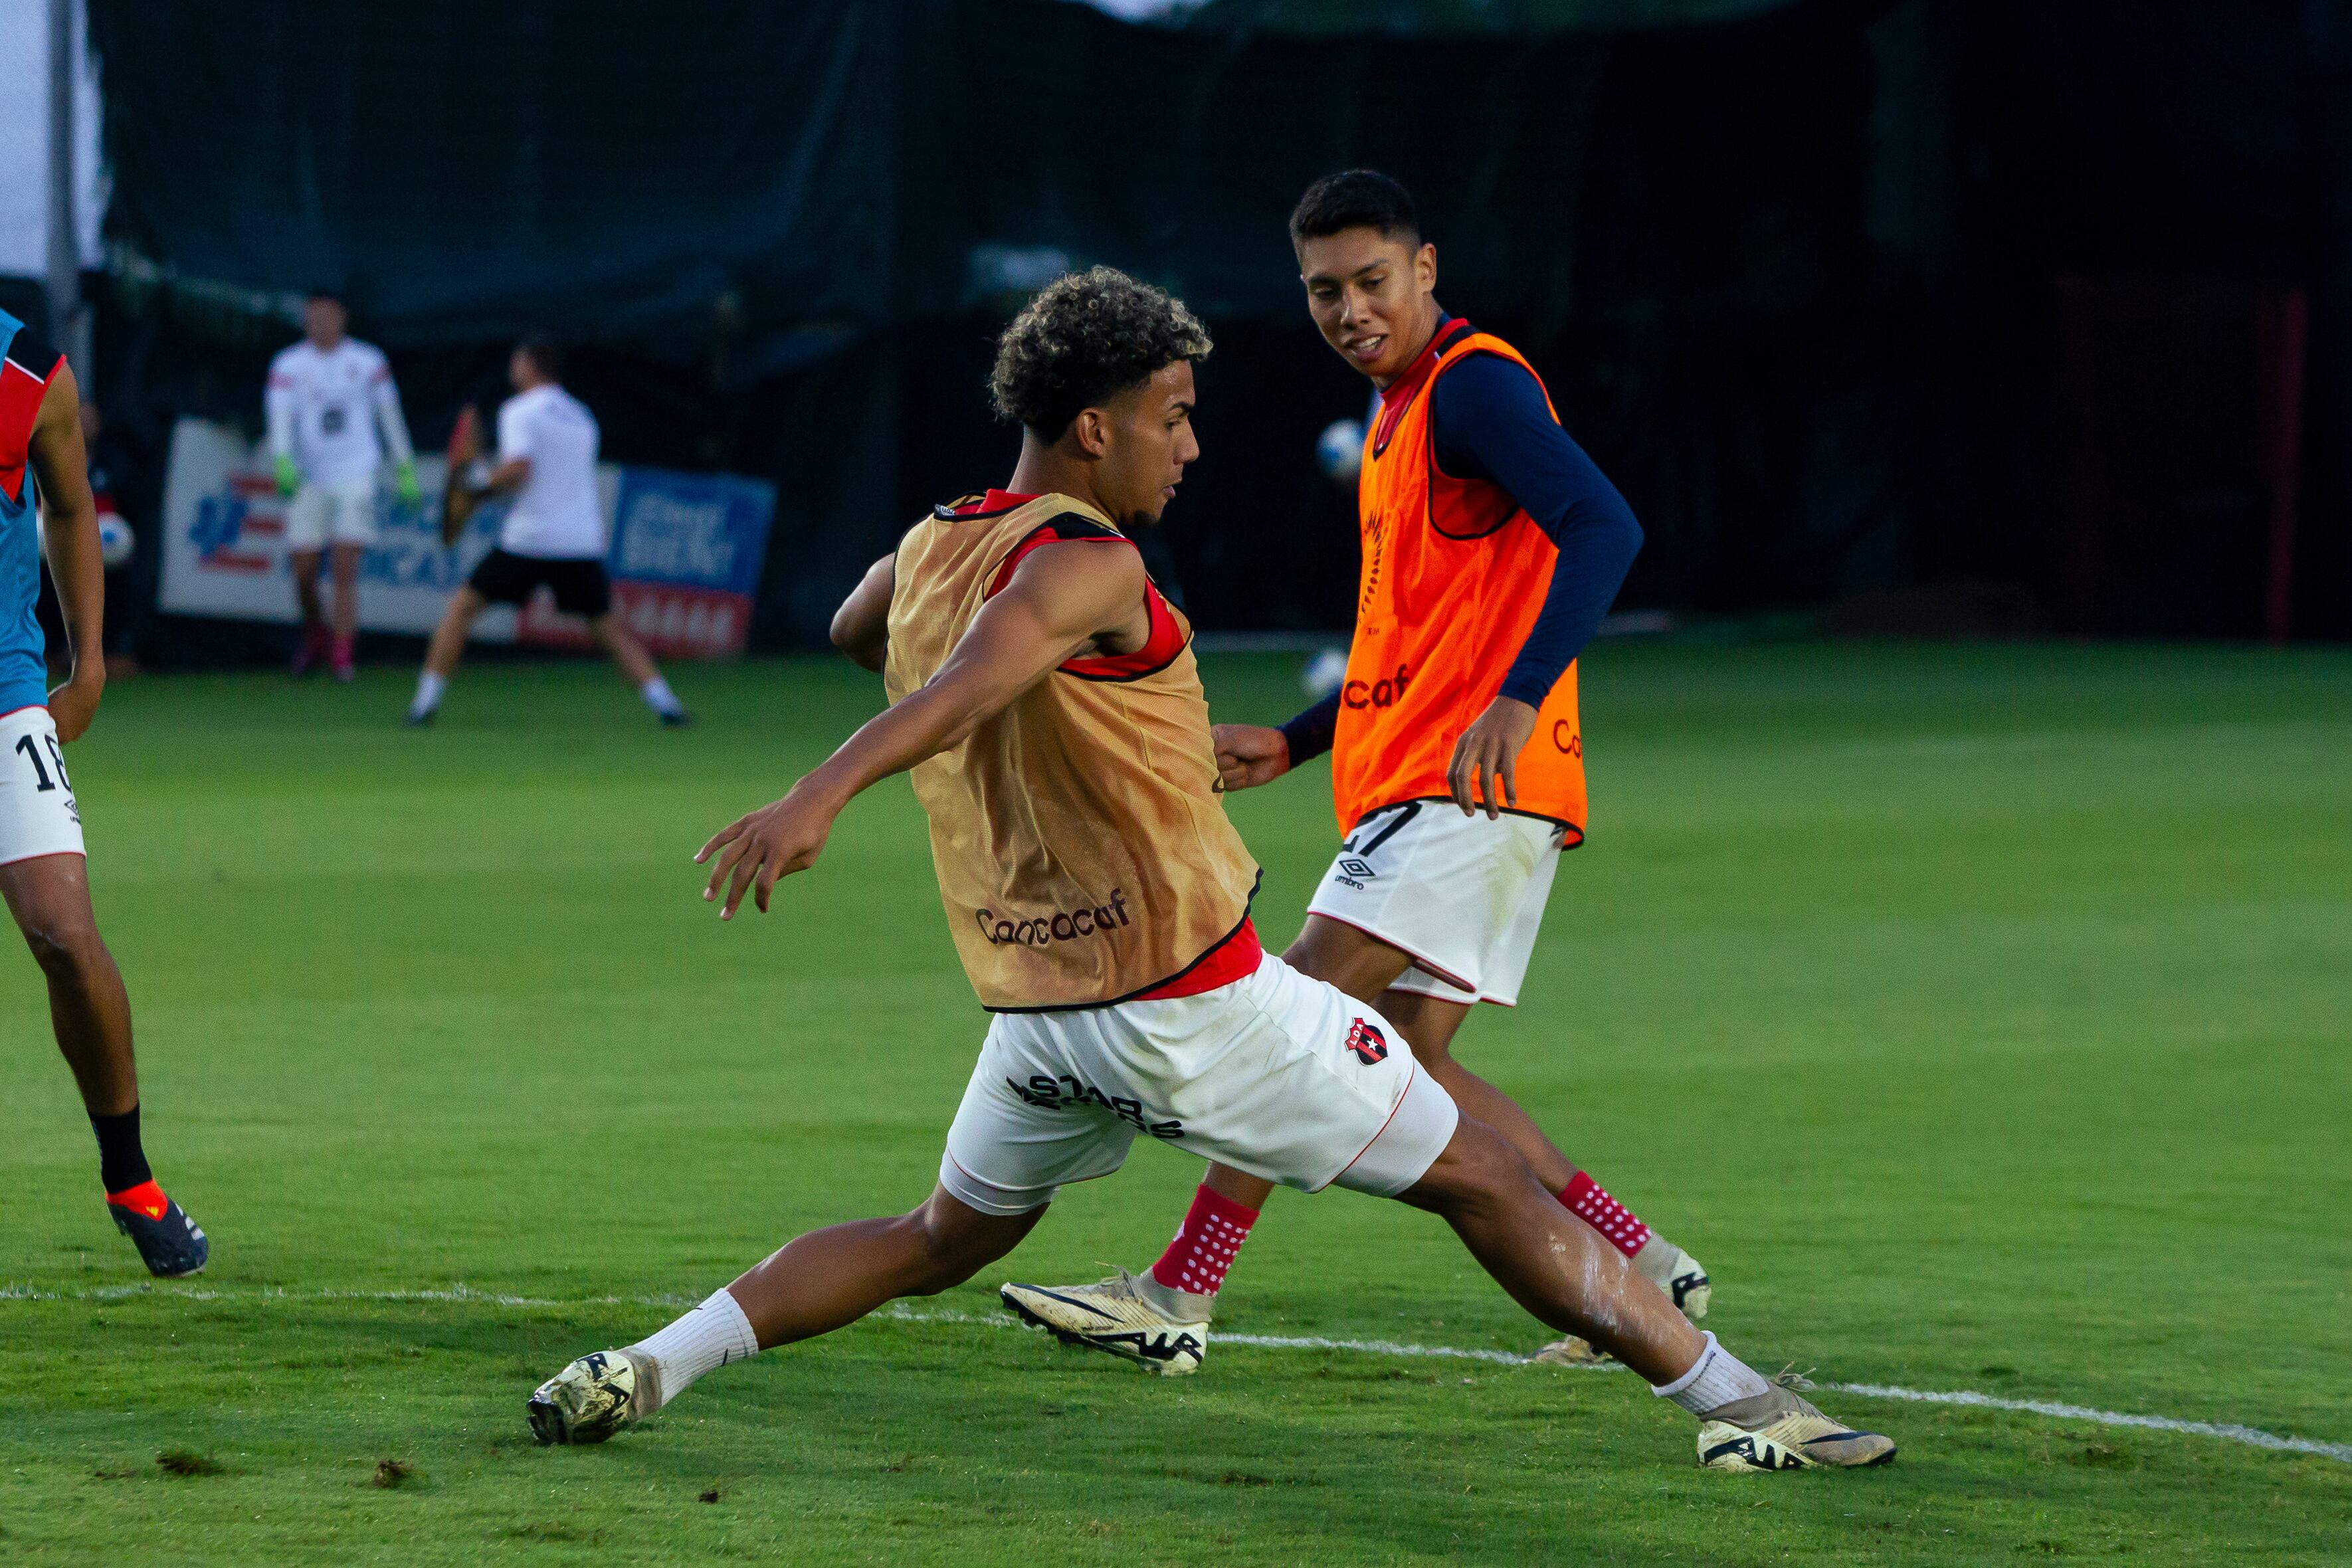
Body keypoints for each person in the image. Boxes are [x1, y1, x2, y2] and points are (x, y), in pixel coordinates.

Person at [524, 268, 1891, 1474]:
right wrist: (819, 792)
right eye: (1171, 415)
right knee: (1480, 1173)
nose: (1190, 442)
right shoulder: (1091, 563)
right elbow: (991, 665)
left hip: (1039, 1010)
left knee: (939, 1234)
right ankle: (1742, 1403)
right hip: (1193, 1002)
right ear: (1095, 426)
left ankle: (649, 1364)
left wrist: (987, 688)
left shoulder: (938, 538)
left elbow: (859, 625)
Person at [1005, 171, 1698, 1371]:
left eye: (1373, 282)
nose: (1349, 310)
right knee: (1410, 1059)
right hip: (1449, 786)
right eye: (1324, 290)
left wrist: (1520, 702)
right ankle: (1638, 1263)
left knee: (1294, 1017)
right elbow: (1420, 638)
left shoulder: (1472, 387)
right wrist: (1299, 736)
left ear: (1426, 271)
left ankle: (1178, 1291)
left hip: (1465, 789)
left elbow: (1608, 525)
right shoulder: (1405, 411)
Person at [0, 308, 207, 1276]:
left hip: (5, 697)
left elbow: (71, 505)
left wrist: (86, 665)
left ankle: (130, 1178)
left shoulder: (25, 369)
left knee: (65, 937)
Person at [405, 338, 687, 728]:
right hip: (579, 541)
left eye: (516, 362)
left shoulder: (520, 410)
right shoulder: (581, 414)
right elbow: (549, 480)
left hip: (531, 539)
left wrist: (476, 482)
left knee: (461, 608)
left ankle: (423, 706)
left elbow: (520, 470)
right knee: (606, 625)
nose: (512, 369)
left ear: (528, 366)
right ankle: (667, 706)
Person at [265, 294, 419, 681]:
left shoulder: (369, 362)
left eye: (328, 315)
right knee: (304, 570)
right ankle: (316, 635)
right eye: (313, 316)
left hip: (357, 473)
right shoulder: (288, 364)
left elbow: (390, 414)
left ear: (343, 317)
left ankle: (342, 654)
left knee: (344, 566)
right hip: (307, 476)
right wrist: (282, 459)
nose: (320, 323)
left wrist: (405, 467)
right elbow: (279, 415)